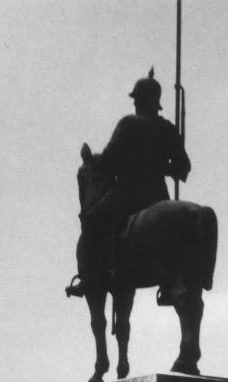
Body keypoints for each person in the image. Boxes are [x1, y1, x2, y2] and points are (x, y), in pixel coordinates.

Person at [69, 69, 190, 295]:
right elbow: (184, 168)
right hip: (159, 197)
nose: (135, 105)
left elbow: (105, 162)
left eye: (136, 100)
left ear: (139, 101)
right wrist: (164, 166)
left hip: (128, 195)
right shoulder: (168, 129)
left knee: (91, 220)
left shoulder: (128, 124)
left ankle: (88, 279)